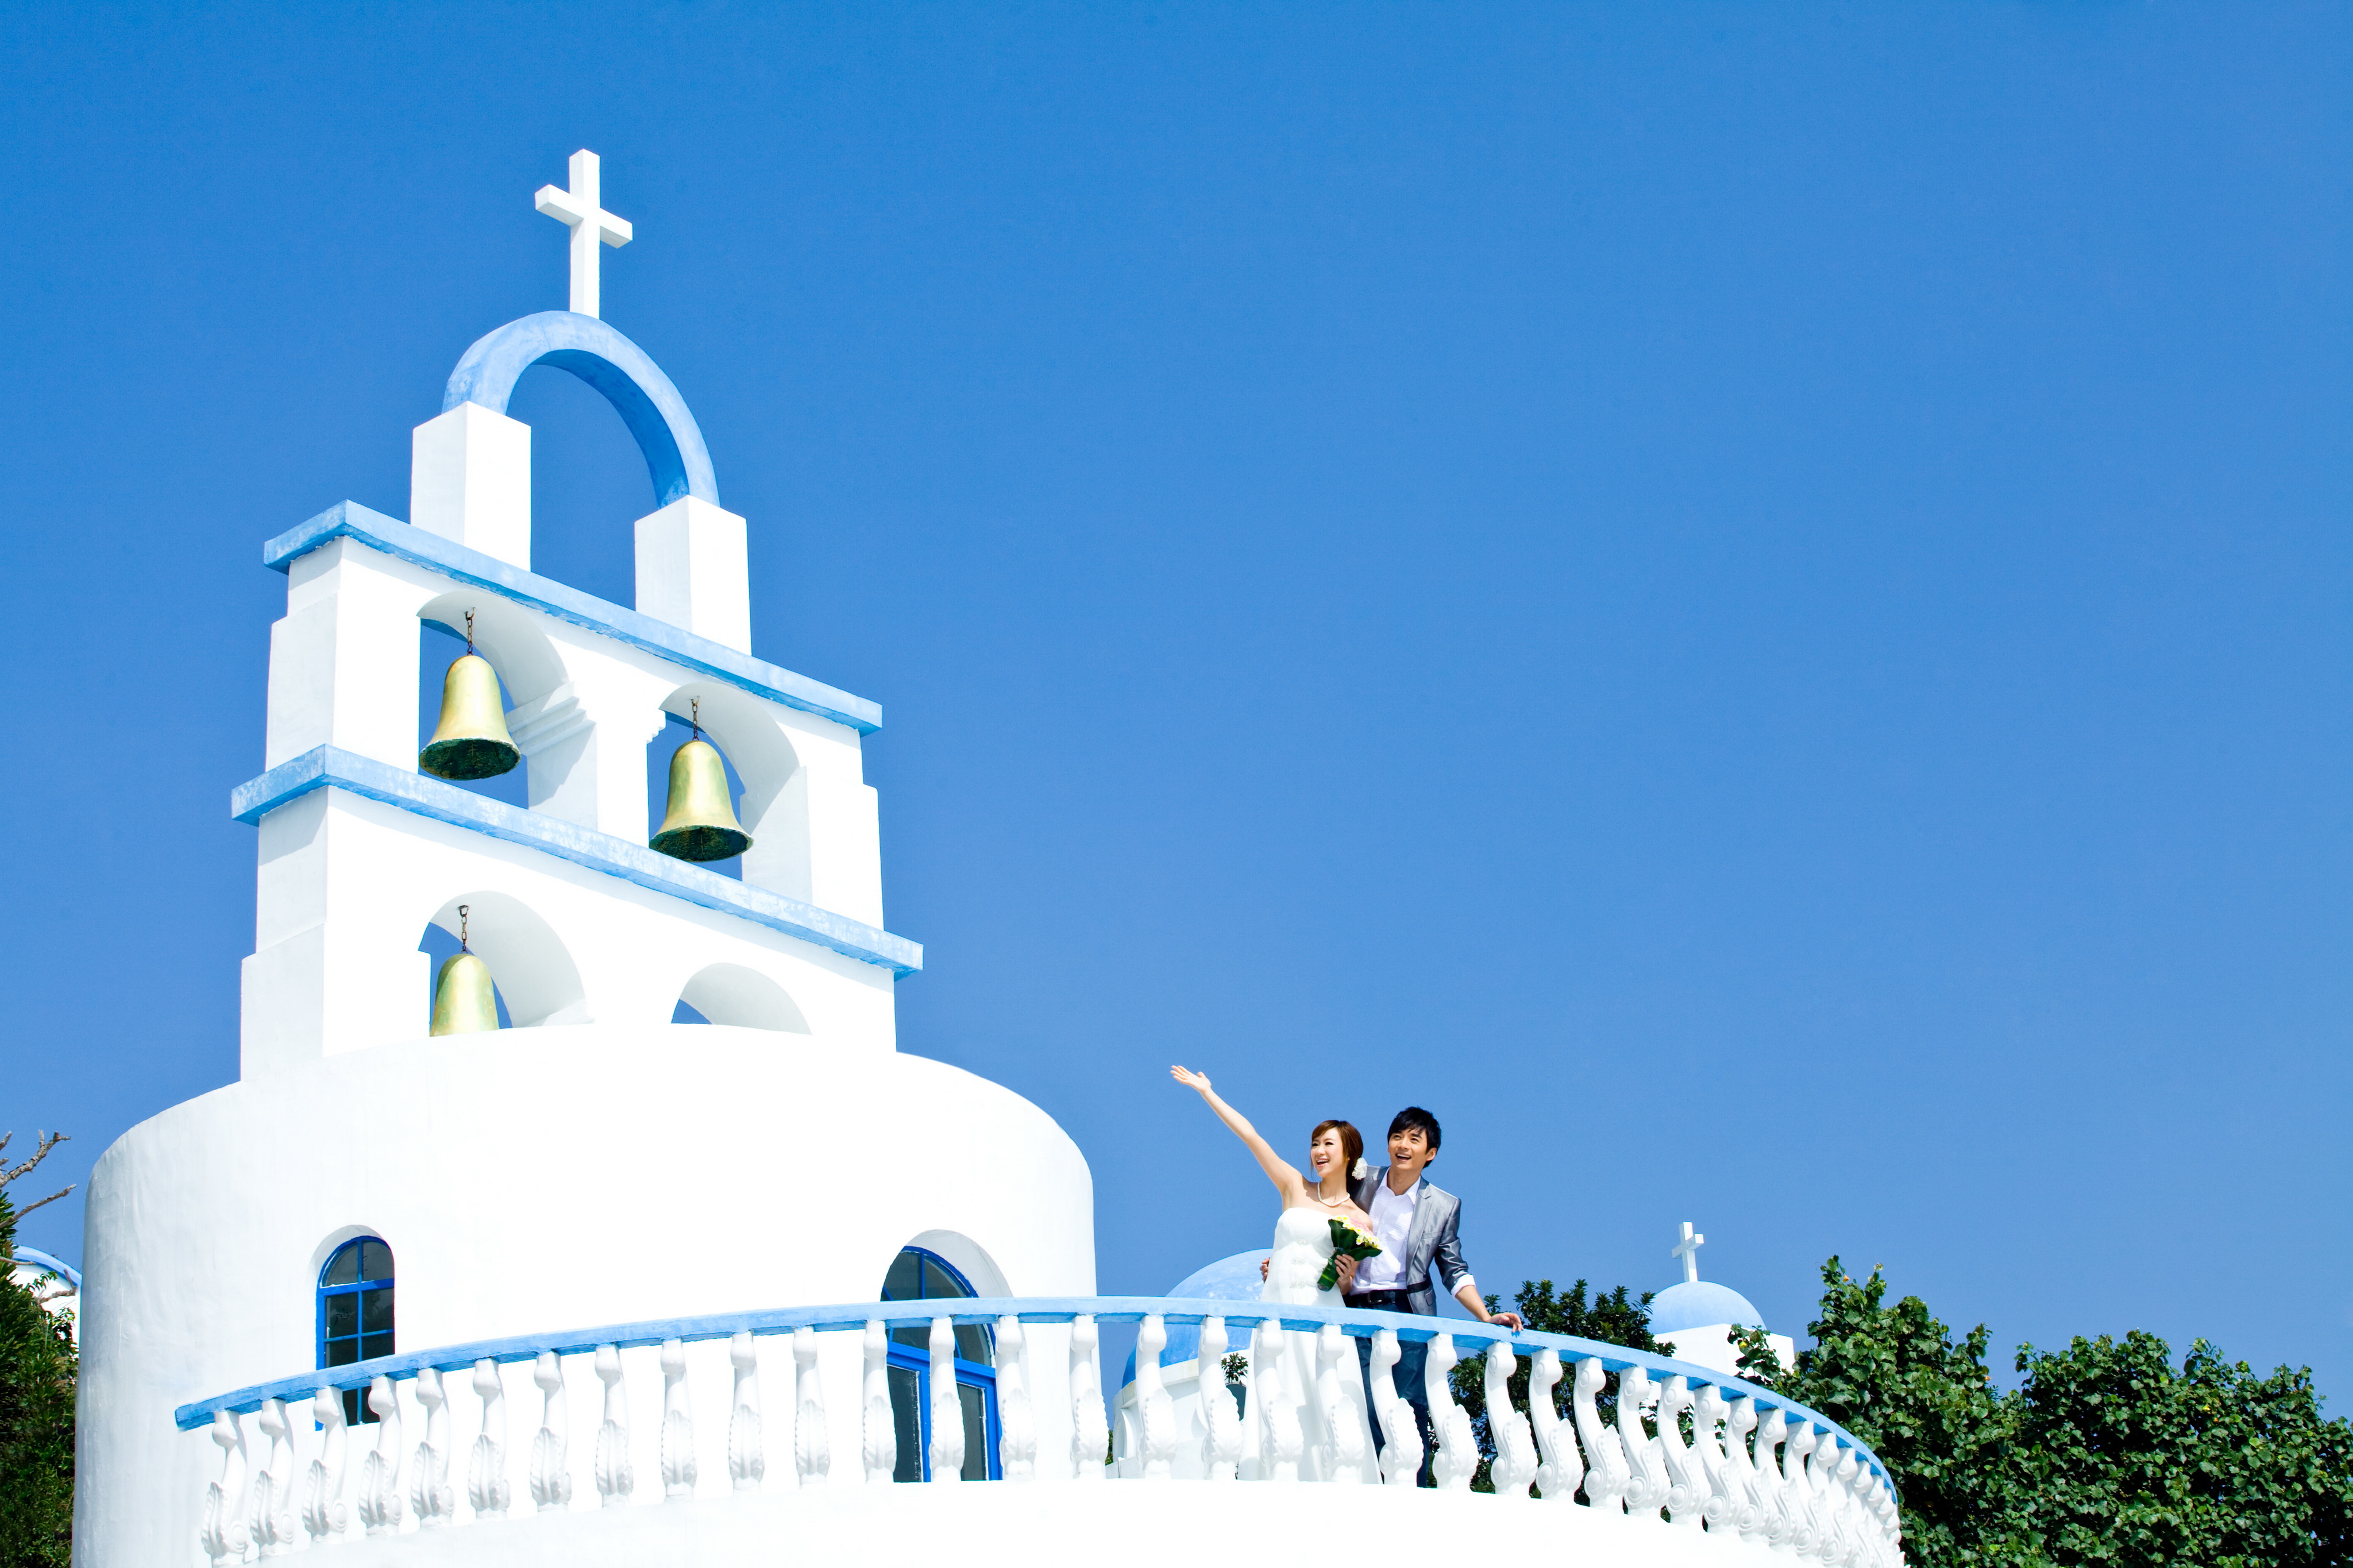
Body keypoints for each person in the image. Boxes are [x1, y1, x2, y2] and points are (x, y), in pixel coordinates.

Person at [1169, 1065, 1379, 1480]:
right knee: (1274, 1395)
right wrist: (1207, 1092)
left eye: (1328, 1144)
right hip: (1278, 1310)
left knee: (1324, 1400)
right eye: (1315, 1144)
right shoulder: (1293, 1187)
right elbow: (1251, 1137)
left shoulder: (1360, 1219)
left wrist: (1342, 1275)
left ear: (1349, 1155)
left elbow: (1348, 1282)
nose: (1318, 1151)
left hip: (1322, 1312)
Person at [1344, 1106, 1522, 1481]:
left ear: (1431, 1153)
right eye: (1397, 1137)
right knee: (1360, 1404)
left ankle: (1414, 1492)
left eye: (1414, 1139)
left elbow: (1453, 1269)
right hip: (1353, 1309)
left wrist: (1486, 1317)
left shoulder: (1443, 1206)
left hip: (1407, 1312)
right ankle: (1372, 1487)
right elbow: (1322, 1211)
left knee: (1410, 1408)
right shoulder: (1361, 1179)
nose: (1402, 1146)